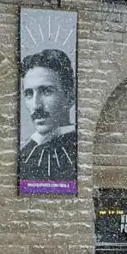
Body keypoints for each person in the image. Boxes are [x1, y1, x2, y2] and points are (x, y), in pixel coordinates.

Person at [18, 49, 77, 180]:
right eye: (29, 93)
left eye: (46, 91)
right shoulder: (24, 154)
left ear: (70, 97)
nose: (36, 105)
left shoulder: (79, 148)